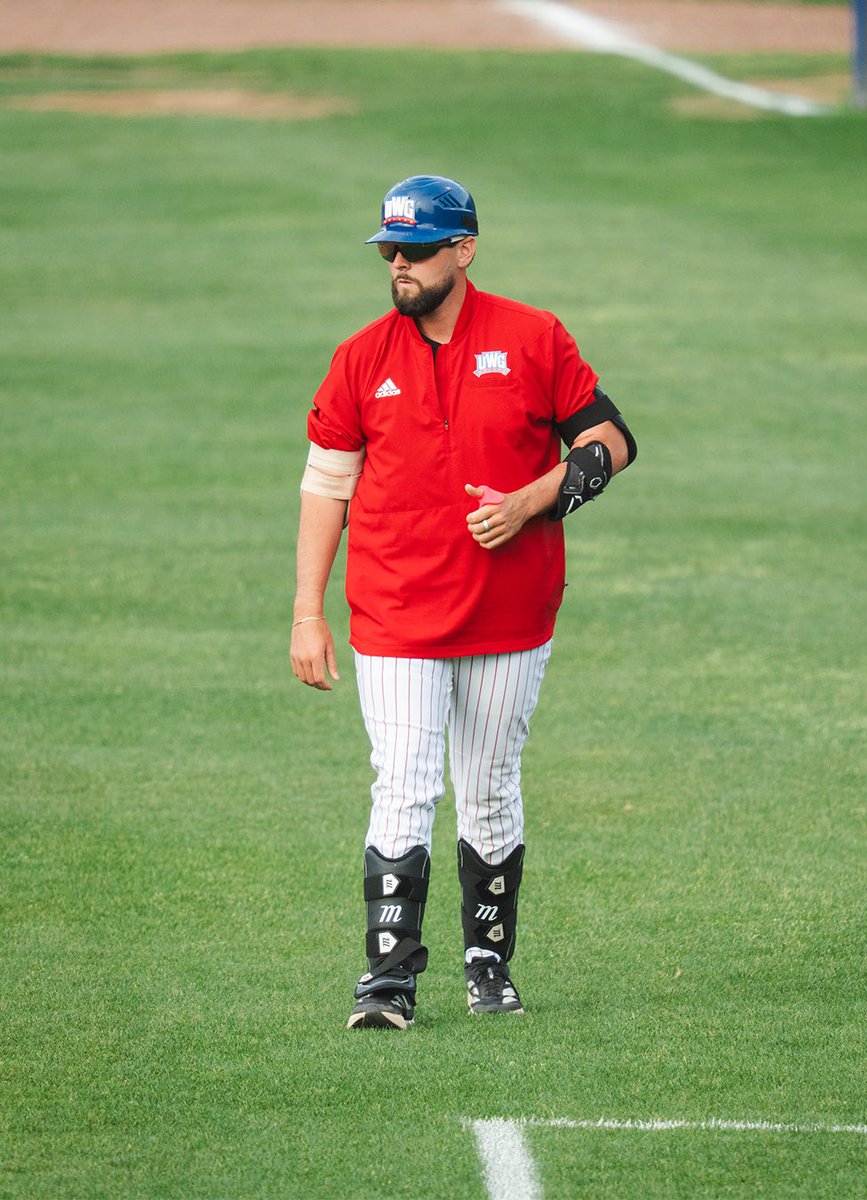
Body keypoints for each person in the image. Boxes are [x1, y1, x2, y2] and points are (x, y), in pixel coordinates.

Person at [290, 175, 635, 1030]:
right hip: (396, 613)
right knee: (402, 784)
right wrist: (307, 611)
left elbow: (613, 439)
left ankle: (488, 964)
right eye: (388, 252)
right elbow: (325, 486)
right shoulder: (360, 358)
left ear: (464, 250)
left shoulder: (532, 337)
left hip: (509, 615)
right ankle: (387, 981)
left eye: (414, 251)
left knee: (487, 788)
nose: (398, 265)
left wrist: (538, 499)